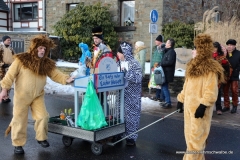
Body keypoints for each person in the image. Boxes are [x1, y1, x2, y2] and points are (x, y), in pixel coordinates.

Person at [0, 34, 74, 154]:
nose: (42, 51)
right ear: (34, 48)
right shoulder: (21, 60)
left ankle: (41, 138)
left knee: (43, 117)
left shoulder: (46, 63)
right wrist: (4, 89)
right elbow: (10, 75)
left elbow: (56, 74)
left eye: (44, 49)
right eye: (40, 48)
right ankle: (18, 144)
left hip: (37, 96)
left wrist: (66, 79)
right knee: (19, 120)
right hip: (22, 96)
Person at [177, 34, 225, 160]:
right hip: (189, 110)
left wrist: (203, 106)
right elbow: (186, 86)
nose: (193, 51)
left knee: (195, 145)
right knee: (191, 142)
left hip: (200, 111)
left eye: (195, 48)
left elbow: (211, 91)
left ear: (201, 50)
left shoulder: (210, 69)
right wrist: (181, 100)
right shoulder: (192, 67)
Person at [117, 41, 142, 146]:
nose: (118, 55)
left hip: (132, 96)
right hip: (120, 95)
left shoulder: (135, 63)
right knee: (119, 115)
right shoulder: (117, 63)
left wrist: (127, 73)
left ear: (125, 52)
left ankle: (131, 137)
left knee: (131, 117)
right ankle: (118, 134)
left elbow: (139, 78)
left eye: (119, 53)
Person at [212, 42, 232, 115]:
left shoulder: (221, 56)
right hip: (209, 77)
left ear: (218, 48)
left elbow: (227, 66)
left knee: (218, 93)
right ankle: (208, 107)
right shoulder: (209, 56)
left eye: (215, 47)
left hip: (218, 78)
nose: (214, 49)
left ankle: (218, 108)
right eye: (213, 47)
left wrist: (225, 75)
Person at [222, 39, 240, 114]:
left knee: (234, 90)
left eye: (231, 45)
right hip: (226, 75)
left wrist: (236, 70)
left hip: (234, 75)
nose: (229, 46)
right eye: (228, 45)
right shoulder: (225, 53)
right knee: (225, 90)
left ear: (234, 46)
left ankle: (235, 105)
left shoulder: (238, 53)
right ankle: (226, 106)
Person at [160, 38, 176, 108]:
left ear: (170, 44)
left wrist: (162, 63)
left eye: (167, 43)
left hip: (167, 73)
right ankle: (166, 101)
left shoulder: (172, 52)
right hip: (165, 72)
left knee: (165, 87)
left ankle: (168, 102)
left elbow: (170, 62)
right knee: (164, 87)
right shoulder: (167, 51)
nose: (165, 44)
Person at [0, 35, 15, 103]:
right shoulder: (0, 48)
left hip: (10, 68)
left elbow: (15, 57)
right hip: (2, 69)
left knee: (9, 82)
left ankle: (7, 96)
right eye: (8, 40)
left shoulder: (11, 49)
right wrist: (2, 64)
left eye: (10, 40)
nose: (9, 41)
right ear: (4, 41)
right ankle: (2, 96)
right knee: (3, 82)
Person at [150, 35, 165, 102]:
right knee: (157, 82)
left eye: (157, 40)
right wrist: (152, 66)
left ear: (160, 41)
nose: (155, 41)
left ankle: (161, 97)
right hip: (155, 67)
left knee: (160, 82)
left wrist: (158, 66)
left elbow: (162, 58)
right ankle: (157, 95)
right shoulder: (156, 48)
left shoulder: (162, 48)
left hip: (159, 67)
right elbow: (154, 58)